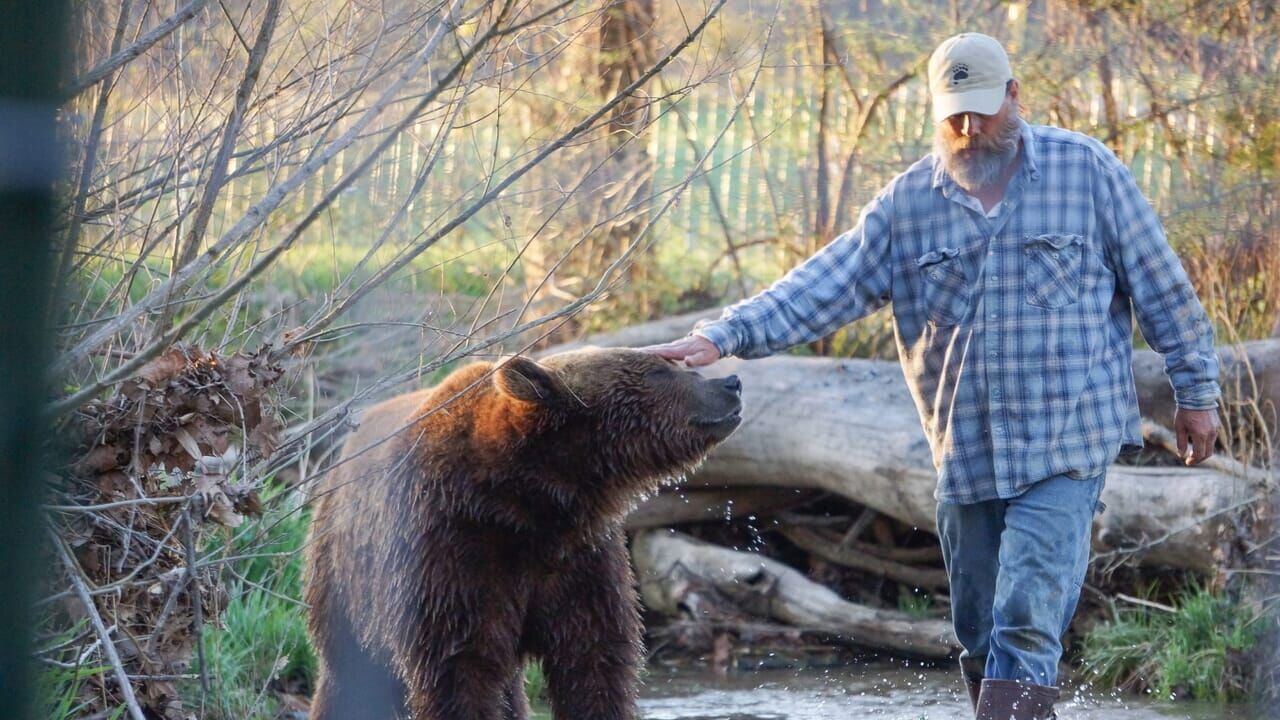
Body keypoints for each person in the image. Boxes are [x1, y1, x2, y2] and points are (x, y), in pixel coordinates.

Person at [641, 32, 1222, 720]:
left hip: (1069, 445)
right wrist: (721, 335)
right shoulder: (906, 207)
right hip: (966, 455)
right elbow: (820, 285)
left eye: (984, 111)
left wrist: (1197, 394)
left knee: (1026, 615)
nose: (971, 130)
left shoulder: (1088, 172)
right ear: (934, 111)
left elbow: (1163, 288)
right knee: (978, 634)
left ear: (1015, 96)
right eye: (955, 116)